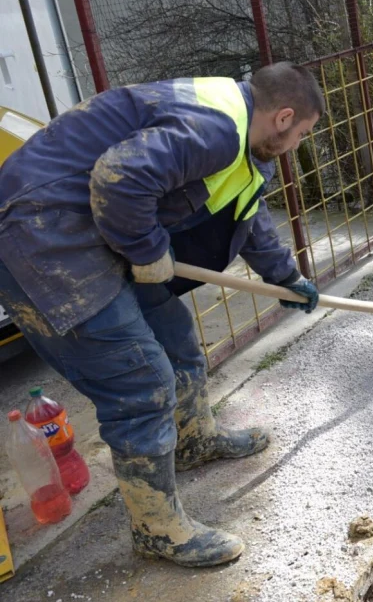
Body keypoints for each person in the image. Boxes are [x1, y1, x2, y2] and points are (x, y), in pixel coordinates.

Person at [0, 63, 324, 567]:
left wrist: (286, 278)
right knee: (138, 377)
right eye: (302, 134)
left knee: (173, 337)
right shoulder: (216, 126)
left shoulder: (239, 138)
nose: (297, 145)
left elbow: (248, 213)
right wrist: (148, 249)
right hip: (42, 235)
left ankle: (193, 438)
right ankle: (157, 529)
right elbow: (118, 177)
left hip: (84, 230)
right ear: (284, 117)